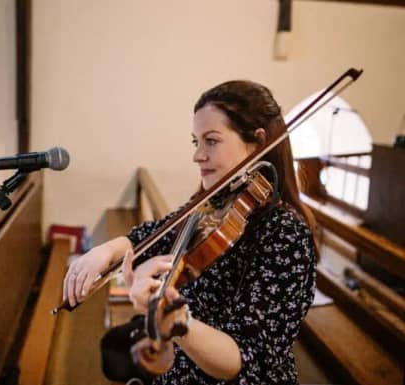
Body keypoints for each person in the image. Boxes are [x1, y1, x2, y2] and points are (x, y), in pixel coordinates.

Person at [62, 80, 317, 384]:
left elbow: (246, 359)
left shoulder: (286, 234)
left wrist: (175, 318)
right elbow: (158, 231)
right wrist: (105, 250)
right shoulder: (217, 202)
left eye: (211, 140)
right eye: (196, 142)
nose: (198, 155)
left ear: (258, 142)